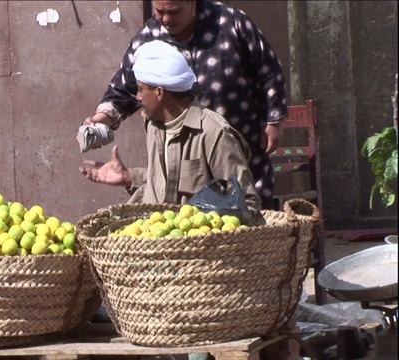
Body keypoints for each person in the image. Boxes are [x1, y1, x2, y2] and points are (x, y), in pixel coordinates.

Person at [80, 39, 259, 360]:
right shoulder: (155, 124)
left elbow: (246, 203)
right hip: (154, 262)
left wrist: (199, 225)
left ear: (159, 92)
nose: (136, 98)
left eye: (140, 90)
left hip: (199, 271)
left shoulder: (213, 133)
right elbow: (165, 183)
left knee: (196, 352)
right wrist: (129, 178)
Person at [82, 0, 287, 209]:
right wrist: (102, 121)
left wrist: (273, 119)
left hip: (237, 139)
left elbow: (268, 71)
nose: (166, 19)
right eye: (159, 12)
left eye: (174, 12)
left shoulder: (230, 23)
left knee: (242, 207)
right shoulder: (156, 125)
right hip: (183, 151)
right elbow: (124, 88)